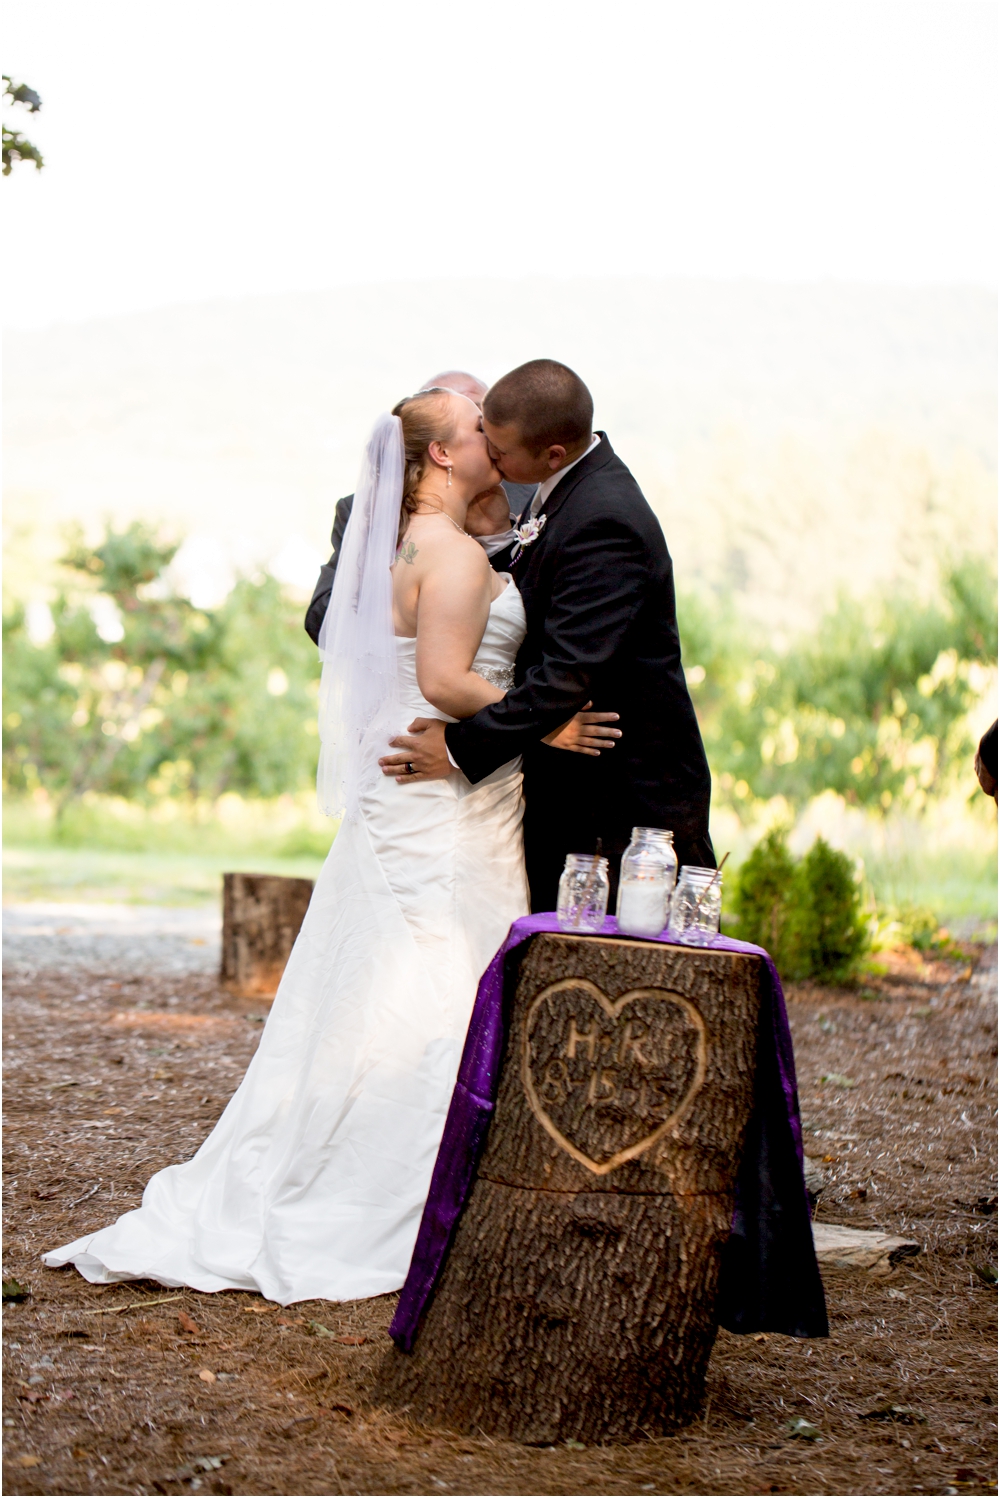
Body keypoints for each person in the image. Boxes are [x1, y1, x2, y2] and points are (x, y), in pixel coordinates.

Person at [42, 390, 612, 1305]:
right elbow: (444, 680)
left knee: (365, 993)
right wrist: (545, 729)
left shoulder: (404, 548)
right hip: (448, 804)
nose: (491, 440)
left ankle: (362, 1165)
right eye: (475, 431)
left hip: (407, 802)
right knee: (442, 985)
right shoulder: (458, 556)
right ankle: (407, 1193)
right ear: (438, 457)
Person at [379, 359, 714, 911]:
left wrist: (459, 747)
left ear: (551, 454)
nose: (489, 450)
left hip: (618, 797)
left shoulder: (606, 518)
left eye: (499, 446)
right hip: (557, 785)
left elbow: (566, 674)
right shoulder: (556, 492)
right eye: (481, 432)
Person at [304, 370, 535, 644]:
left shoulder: (530, 494)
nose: (487, 437)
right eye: (476, 426)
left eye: (485, 421)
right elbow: (323, 615)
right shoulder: (369, 508)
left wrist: (497, 537)